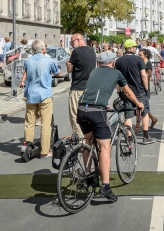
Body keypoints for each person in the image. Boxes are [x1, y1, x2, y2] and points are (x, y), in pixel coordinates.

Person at [77, 50, 144, 203]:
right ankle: (105, 186)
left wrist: (104, 103)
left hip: (82, 110)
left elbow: (95, 89)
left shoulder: (94, 71)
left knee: (88, 141)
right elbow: (128, 92)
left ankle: (87, 175)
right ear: (113, 62)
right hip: (97, 112)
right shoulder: (116, 73)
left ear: (99, 62)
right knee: (105, 148)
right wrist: (138, 103)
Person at [20, 40, 59, 158]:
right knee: (45, 124)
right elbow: (57, 73)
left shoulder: (28, 61)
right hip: (44, 95)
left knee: (29, 123)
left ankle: (28, 147)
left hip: (31, 94)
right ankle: (44, 152)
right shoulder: (49, 60)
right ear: (42, 49)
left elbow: (26, 73)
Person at [116, 39, 156, 145]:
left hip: (126, 92)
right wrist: (146, 88)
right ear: (131, 48)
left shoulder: (119, 61)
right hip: (139, 90)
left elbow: (117, 78)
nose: (135, 49)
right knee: (144, 112)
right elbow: (143, 75)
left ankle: (129, 139)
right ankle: (145, 136)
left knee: (128, 115)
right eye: (134, 47)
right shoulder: (138, 59)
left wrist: (119, 91)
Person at [65, 34, 96, 140]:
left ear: (78, 40)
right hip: (90, 88)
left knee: (75, 116)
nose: (71, 44)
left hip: (78, 88)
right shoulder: (92, 50)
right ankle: (90, 139)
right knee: (88, 116)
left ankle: (81, 141)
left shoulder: (76, 52)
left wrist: (68, 65)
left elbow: (70, 69)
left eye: (72, 42)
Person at [139, 49, 160, 129]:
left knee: (143, 104)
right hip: (139, 84)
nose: (139, 56)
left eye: (141, 55)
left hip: (145, 85)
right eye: (139, 55)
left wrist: (144, 81)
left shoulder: (148, 63)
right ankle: (153, 118)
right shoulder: (140, 62)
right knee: (141, 105)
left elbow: (149, 74)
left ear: (145, 55)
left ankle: (139, 126)